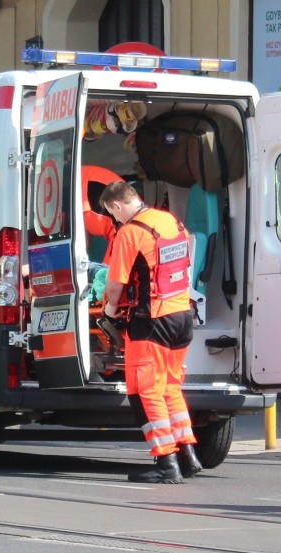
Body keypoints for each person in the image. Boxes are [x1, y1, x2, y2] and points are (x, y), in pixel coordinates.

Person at [99, 181, 202, 484]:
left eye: (112, 214)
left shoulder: (130, 232)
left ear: (117, 206)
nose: (114, 221)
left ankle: (167, 464)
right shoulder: (170, 220)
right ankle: (187, 455)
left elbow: (115, 285)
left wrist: (109, 311)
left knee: (146, 392)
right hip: (182, 315)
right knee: (170, 386)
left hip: (152, 320)